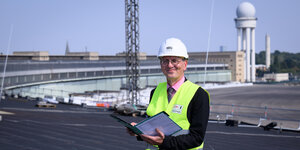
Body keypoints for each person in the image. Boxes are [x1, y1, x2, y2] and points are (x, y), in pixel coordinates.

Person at [128, 37, 210, 150]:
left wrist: (164, 142)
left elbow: (197, 138)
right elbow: (153, 130)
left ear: (185, 64)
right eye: (165, 61)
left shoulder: (199, 95)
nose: (170, 65)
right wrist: (139, 132)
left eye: (175, 60)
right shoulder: (155, 92)